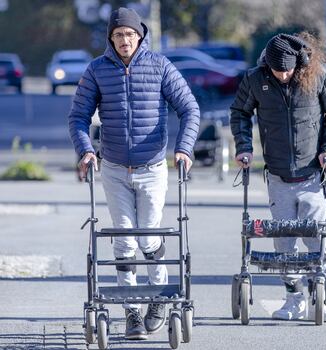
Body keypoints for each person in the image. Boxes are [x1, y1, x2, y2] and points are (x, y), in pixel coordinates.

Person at [68, 7, 200, 340]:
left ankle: (157, 299)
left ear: (139, 36)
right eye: (117, 35)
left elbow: (189, 108)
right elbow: (78, 116)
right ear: (110, 40)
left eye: (129, 34)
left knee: (149, 236)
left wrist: (184, 148)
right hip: (113, 168)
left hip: (152, 167)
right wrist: (85, 150)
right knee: (124, 240)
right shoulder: (97, 70)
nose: (124, 40)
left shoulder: (159, 66)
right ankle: (131, 312)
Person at [230, 32, 326, 322]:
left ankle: (318, 293)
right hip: (278, 174)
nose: (282, 75)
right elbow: (239, 113)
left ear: (299, 63)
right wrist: (244, 148)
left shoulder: (318, 73)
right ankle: (293, 297)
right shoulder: (256, 79)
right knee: (283, 240)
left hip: (312, 174)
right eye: (276, 70)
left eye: (287, 70)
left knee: (315, 236)